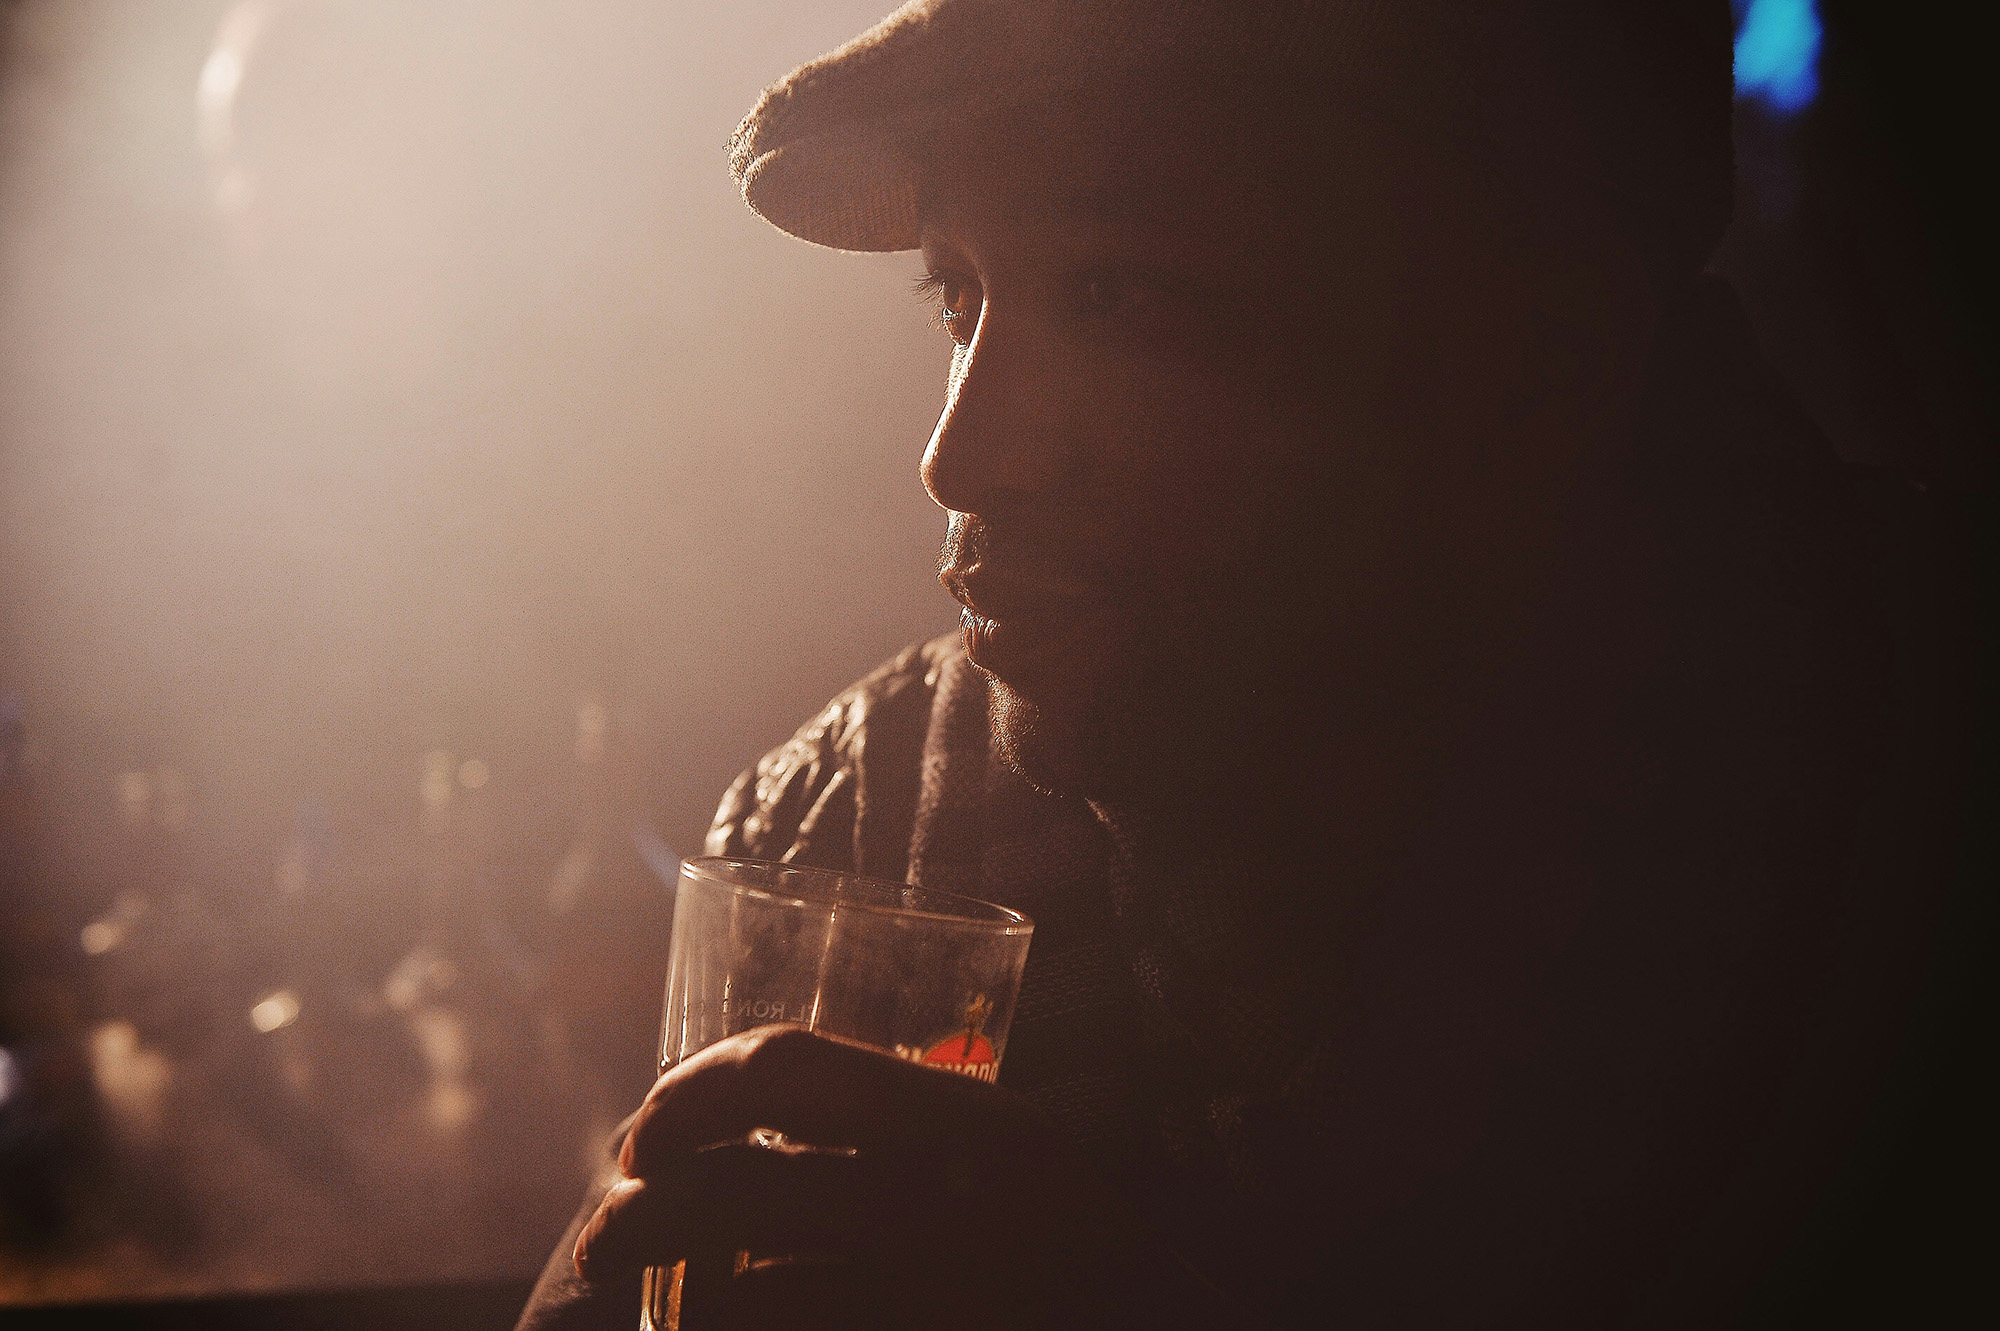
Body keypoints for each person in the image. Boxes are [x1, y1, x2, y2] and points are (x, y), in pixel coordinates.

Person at [518, 2, 1943, 1325]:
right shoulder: (855, 826)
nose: (963, 454)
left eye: (1126, 295)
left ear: (1540, 348)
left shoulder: (1898, 814)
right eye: (959, 296)